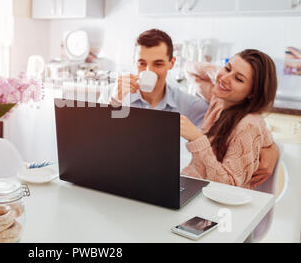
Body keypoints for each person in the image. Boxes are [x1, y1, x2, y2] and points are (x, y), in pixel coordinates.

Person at [180, 49, 280, 189]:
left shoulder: (249, 124)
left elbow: (229, 186)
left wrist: (197, 139)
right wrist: (221, 75)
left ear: (253, 92)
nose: (226, 78)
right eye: (227, 68)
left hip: (216, 201)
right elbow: (190, 69)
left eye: (239, 79)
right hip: (193, 186)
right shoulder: (220, 99)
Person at [108, 29, 209, 127]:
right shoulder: (112, 95)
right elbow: (97, 138)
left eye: (158, 64)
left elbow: (206, 142)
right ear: (134, 61)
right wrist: (114, 104)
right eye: (142, 63)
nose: (149, 71)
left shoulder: (191, 106)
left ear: (171, 63)